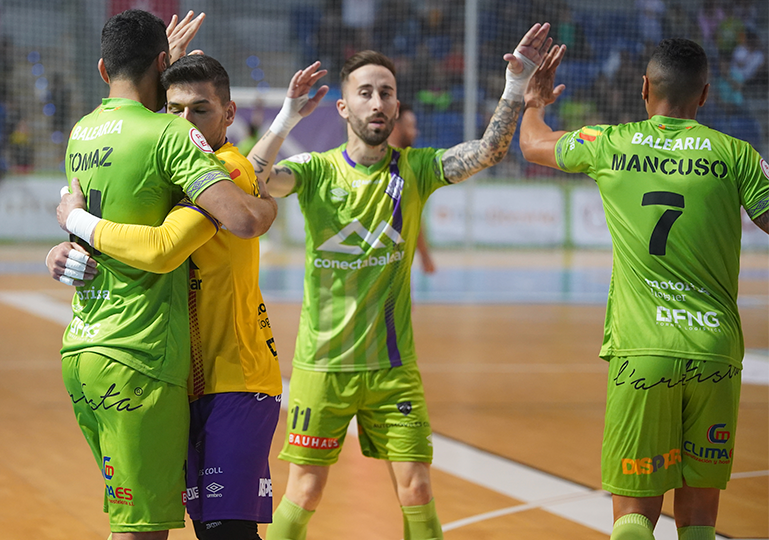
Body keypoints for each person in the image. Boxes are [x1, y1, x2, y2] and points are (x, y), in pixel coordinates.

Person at [245, 23, 554, 540]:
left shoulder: (417, 168)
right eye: (364, 93)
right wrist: (285, 117)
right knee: (305, 492)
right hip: (323, 366)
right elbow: (254, 177)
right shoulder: (316, 171)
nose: (377, 102)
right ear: (343, 108)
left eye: (386, 92)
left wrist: (515, 85)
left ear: (395, 105)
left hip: (393, 370)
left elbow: (488, 151)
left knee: (416, 490)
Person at [520, 38, 769, 540]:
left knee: (634, 521)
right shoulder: (738, 155)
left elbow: (531, 144)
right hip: (715, 351)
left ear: (643, 87)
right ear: (705, 94)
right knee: (699, 517)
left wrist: (532, 102)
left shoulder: (610, 143)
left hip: (643, 351)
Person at [53, 10, 277, 540]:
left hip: (198, 371)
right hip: (154, 365)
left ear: (104, 68)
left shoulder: (84, 134)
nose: (186, 119)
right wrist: (65, 245)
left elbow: (151, 238)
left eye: (201, 109)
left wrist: (73, 229)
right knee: (153, 529)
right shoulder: (169, 146)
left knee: (197, 531)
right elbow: (169, 238)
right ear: (160, 68)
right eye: (177, 108)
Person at [387, 103, 436, 275]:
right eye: (410, 127)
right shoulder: (400, 168)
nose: (415, 132)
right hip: (384, 266)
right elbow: (412, 218)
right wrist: (425, 256)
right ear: (395, 128)